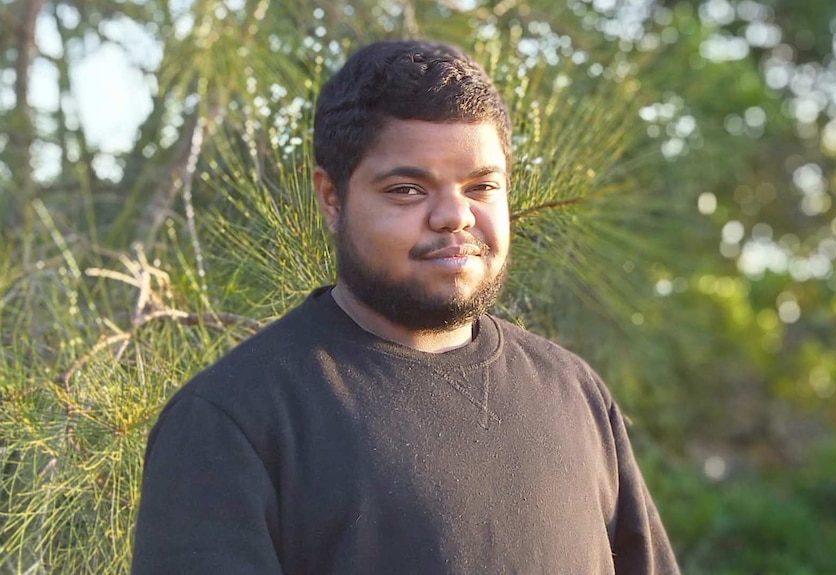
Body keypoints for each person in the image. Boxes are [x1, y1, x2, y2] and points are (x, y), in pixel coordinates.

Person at [131, 40, 680, 574]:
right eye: (408, 190)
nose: (454, 216)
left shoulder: (574, 394)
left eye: (482, 186)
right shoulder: (232, 421)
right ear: (332, 199)